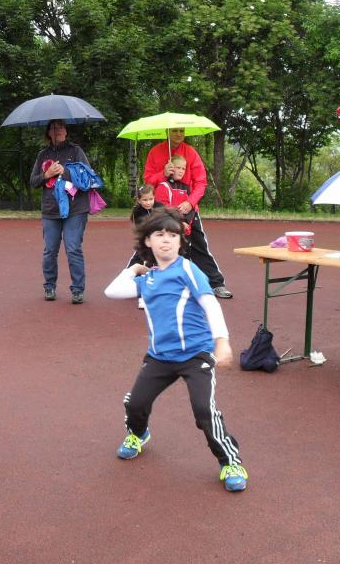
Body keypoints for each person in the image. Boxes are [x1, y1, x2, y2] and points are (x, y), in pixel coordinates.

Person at [104, 209, 248, 492]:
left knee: (203, 410)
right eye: (159, 235)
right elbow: (112, 292)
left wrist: (222, 341)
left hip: (196, 355)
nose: (166, 240)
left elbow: (210, 304)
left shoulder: (188, 270)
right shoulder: (148, 279)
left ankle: (231, 462)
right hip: (160, 356)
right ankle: (138, 434)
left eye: (172, 235)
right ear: (148, 241)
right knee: (135, 403)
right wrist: (134, 269)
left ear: (181, 241)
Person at [143, 127, 233, 298]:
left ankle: (216, 283)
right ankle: (149, 284)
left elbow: (201, 182)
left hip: (188, 210)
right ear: (167, 131)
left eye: (181, 131)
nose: (179, 134)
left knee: (199, 247)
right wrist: (163, 174)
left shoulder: (191, 153)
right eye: (175, 131)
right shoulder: (155, 152)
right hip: (163, 211)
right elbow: (148, 182)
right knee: (158, 247)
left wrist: (190, 203)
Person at [30, 119, 92, 304]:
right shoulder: (43, 155)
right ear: (48, 132)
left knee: (73, 248)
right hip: (51, 210)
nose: (57, 130)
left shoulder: (76, 151)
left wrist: (65, 172)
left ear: (66, 131)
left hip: (75, 209)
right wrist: (47, 174)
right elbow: (33, 181)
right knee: (50, 251)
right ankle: (49, 286)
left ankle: (78, 290)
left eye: (60, 127)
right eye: (53, 128)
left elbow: (87, 177)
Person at [153, 155, 196, 236]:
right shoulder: (163, 186)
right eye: (178, 168)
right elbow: (162, 209)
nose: (181, 171)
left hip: (184, 231)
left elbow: (191, 208)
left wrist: (185, 222)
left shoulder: (186, 188)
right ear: (171, 168)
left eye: (183, 169)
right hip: (168, 231)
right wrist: (179, 223)